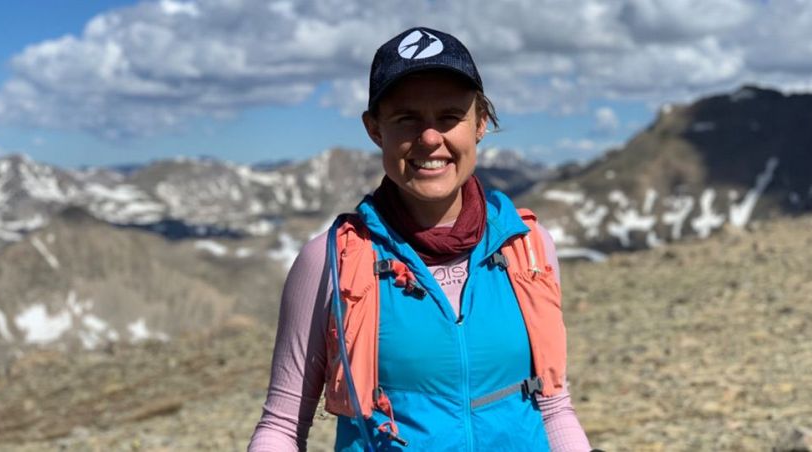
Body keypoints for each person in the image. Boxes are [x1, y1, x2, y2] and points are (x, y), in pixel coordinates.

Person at [248, 27, 593, 451]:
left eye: (450, 117)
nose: (431, 138)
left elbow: (555, 407)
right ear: (375, 130)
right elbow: (282, 426)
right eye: (406, 118)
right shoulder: (329, 261)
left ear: (480, 123)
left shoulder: (529, 248)